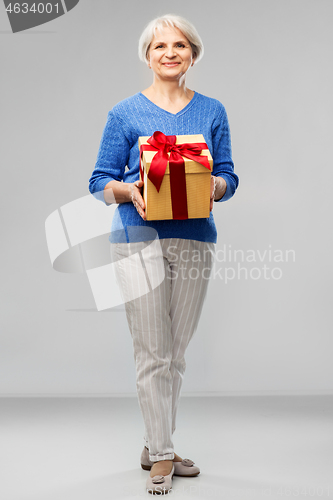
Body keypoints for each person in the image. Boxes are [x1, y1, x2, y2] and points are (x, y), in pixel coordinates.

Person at [89, 14, 239, 494]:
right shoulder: (124, 113)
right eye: (160, 46)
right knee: (152, 351)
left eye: (180, 45)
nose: (170, 53)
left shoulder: (212, 111)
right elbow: (98, 182)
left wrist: (215, 184)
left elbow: (231, 176)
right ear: (147, 55)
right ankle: (161, 454)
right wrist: (127, 190)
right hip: (137, 237)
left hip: (196, 237)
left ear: (192, 53)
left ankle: (156, 441)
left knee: (175, 354)